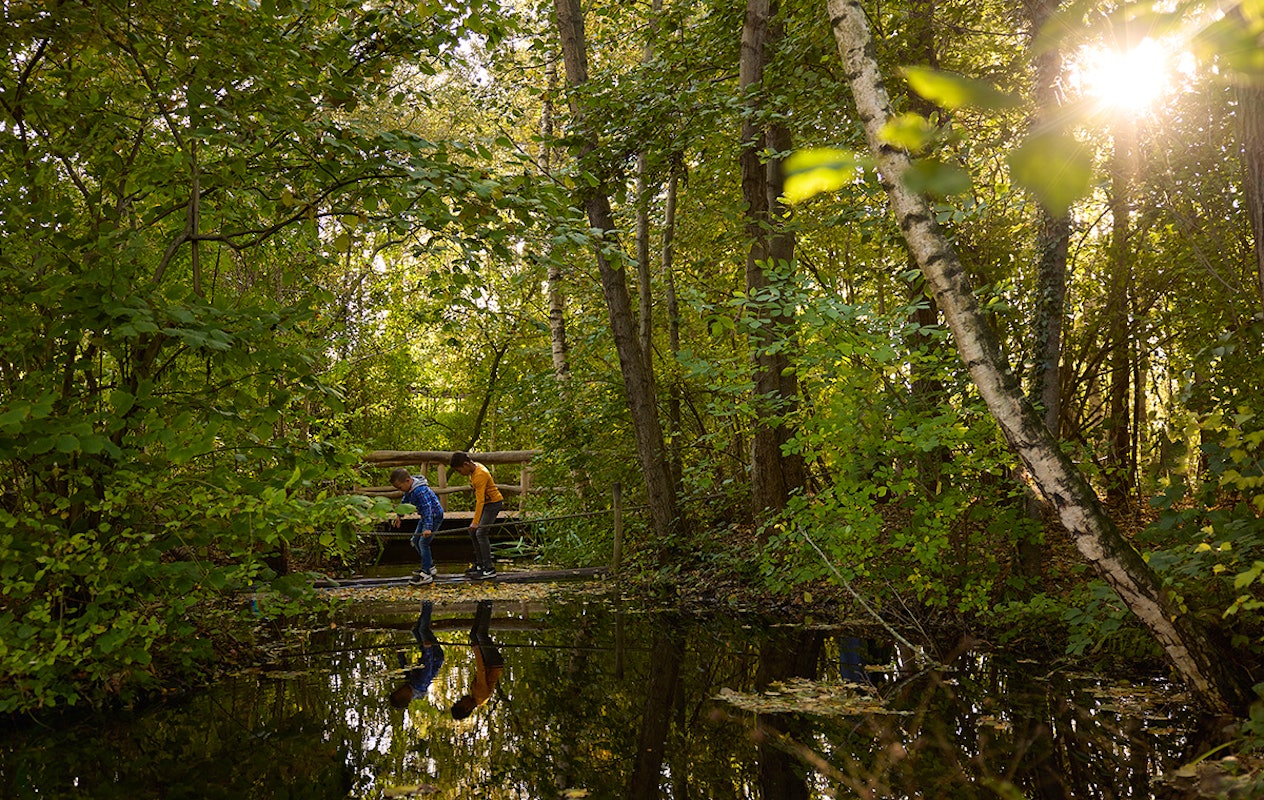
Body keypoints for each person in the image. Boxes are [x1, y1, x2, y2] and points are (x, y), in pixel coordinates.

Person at [449, 451, 501, 580]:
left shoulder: (480, 474)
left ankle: (489, 568)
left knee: (480, 533)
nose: (460, 473)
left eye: (459, 470)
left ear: (466, 464)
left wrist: (476, 522)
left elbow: (480, 501)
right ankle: (480, 564)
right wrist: (474, 523)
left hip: (493, 503)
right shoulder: (474, 469)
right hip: (486, 504)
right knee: (473, 532)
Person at [390, 467, 444, 584]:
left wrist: (428, 528)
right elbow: (405, 501)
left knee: (423, 542)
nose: (400, 490)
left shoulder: (420, 490)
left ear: (408, 481)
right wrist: (399, 515)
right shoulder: (409, 489)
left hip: (433, 516)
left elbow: (427, 508)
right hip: (425, 517)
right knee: (415, 540)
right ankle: (429, 566)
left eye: (400, 487)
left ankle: (426, 574)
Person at [451, 600, 504, 720]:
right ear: (467, 708)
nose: (461, 699)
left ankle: (482, 604)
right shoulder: (480, 695)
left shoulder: (475, 697)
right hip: (493, 663)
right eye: (460, 702)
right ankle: (488, 603)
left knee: (473, 635)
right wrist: (476, 650)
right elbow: (481, 671)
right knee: (480, 634)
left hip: (489, 663)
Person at [389, 600, 445, 709]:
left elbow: (405, 667)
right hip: (434, 656)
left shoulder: (410, 685)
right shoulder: (420, 684)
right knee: (423, 630)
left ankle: (426, 605)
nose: (400, 687)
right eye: (399, 691)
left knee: (416, 630)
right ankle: (428, 602)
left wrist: (400, 654)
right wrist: (428, 649)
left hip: (427, 653)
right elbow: (428, 667)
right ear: (405, 696)